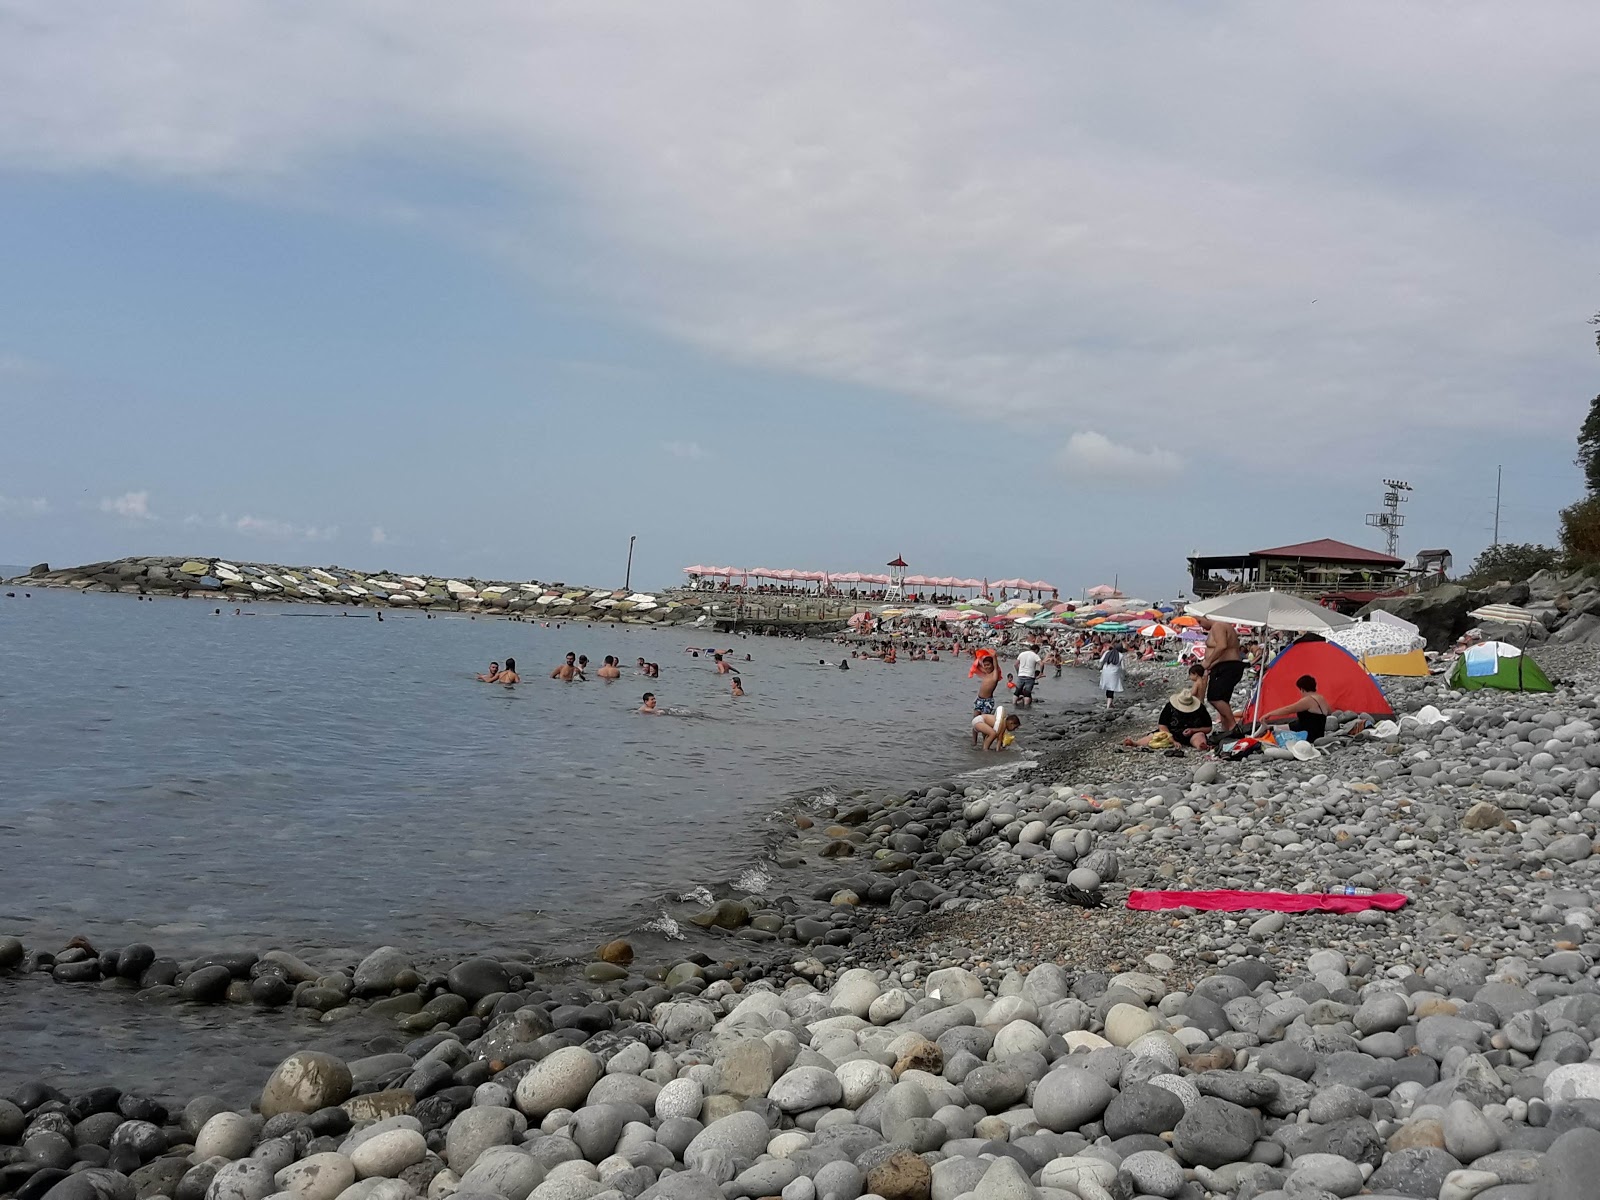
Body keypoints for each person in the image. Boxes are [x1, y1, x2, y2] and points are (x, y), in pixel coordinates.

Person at [1125, 667, 1212, 749]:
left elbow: (1208, 728)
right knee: (1156, 735)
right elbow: (1162, 725)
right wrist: (1172, 740)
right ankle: (1136, 743)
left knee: (1199, 735)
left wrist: (1193, 730)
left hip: (1192, 733)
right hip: (1171, 733)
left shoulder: (1200, 708)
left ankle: (1200, 745)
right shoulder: (1170, 707)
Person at [1197, 617, 1246, 737]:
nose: (1200, 625)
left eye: (1200, 621)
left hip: (1226, 666)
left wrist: (1208, 662)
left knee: (1215, 697)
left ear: (1206, 616)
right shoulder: (1224, 626)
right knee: (1223, 699)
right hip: (1226, 666)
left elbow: (1222, 646)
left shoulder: (1218, 626)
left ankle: (1233, 727)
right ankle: (1226, 729)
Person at [1258, 674, 1331, 740]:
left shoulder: (1308, 700)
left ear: (1302, 689)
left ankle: (1267, 729)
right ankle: (1268, 727)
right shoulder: (1322, 698)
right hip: (1318, 734)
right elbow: (1329, 713)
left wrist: (1269, 714)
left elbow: (1288, 709)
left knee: (1275, 734)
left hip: (1308, 735)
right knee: (1296, 723)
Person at [973, 651, 1002, 715]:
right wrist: (975, 655)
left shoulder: (994, 676)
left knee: (984, 718)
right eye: (985, 665)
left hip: (987, 701)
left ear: (992, 665)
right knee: (975, 717)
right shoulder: (986, 673)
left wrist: (994, 657)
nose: (986, 667)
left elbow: (996, 667)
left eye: (988, 665)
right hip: (979, 699)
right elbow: (977, 665)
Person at [1015, 642, 1042, 706]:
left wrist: (1018, 672)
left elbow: (1015, 664)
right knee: (1027, 693)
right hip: (1030, 676)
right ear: (1036, 650)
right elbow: (1041, 664)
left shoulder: (1022, 654)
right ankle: (1026, 708)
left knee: (1017, 692)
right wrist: (1041, 672)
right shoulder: (1035, 655)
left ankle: (1014, 704)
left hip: (1021, 675)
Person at [1099, 641, 1125, 708]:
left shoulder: (1107, 652)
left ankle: (1110, 703)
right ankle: (1108, 705)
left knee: (1108, 687)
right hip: (1114, 673)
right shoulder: (1121, 655)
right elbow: (1123, 668)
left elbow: (1101, 661)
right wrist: (1123, 674)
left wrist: (1100, 667)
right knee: (1111, 688)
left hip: (1105, 670)